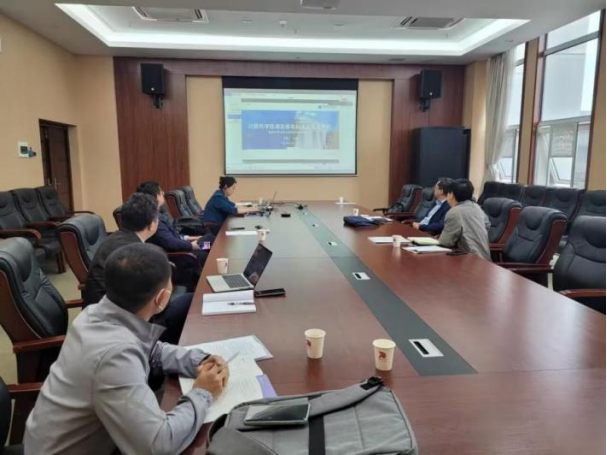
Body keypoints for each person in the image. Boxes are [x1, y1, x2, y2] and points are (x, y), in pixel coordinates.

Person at [25, 243, 230, 455]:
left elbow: (152, 350)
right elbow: (158, 445)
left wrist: (199, 360)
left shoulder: (96, 312)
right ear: (161, 298)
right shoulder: (115, 356)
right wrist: (203, 392)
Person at [83, 192, 193, 344]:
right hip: (121, 328)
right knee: (192, 301)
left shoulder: (116, 238)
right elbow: (154, 303)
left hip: (104, 316)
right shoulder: (135, 253)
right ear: (152, 224)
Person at [137, 181, 213, 289]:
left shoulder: (158, 215)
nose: (163, 193)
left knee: (210, 240)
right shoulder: (155, 220)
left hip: (184, 246)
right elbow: (170, 242)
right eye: (161, 192)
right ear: (156, 197)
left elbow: (172, 235)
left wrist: (190, 238)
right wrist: (192, 245)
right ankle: (205, 286)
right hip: (181, 254)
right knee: (209, 247)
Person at [439, 179, 492, 261]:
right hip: (485, 261)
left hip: (470, 260)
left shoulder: (454, 212)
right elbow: (487, 225)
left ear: (451, 194)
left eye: (448, 193)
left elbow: (445, 242)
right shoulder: (476, 207)